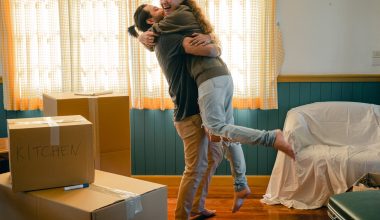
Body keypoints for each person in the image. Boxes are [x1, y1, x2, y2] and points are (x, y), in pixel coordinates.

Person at [129, 2, 253, 216]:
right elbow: (212, 50)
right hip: (188, 113)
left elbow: (209, 42)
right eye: (156, 10)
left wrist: (211, 38)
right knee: (195, 168)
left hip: (199, 109)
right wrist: (211, 42)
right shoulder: (167, 37)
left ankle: (197, 206)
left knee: (213, 156)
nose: (163, 8)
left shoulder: (167, 31)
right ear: (151, 21)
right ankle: (181, 215)